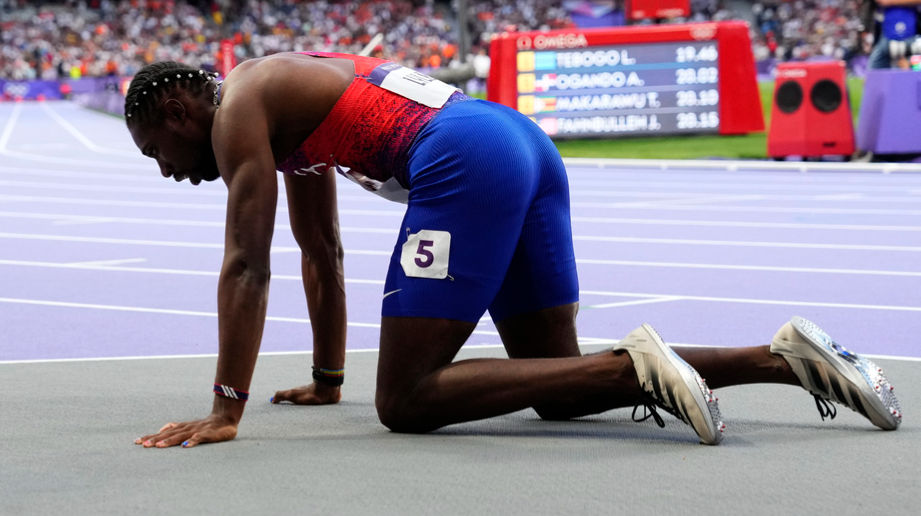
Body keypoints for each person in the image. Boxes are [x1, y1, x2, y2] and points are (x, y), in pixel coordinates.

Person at [126, 52, 901, 449]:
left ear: (177, 107)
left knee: (406, 400)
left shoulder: (238, 112)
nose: (165, 170)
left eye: (154, 148)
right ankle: (784, 358)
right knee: (555, 385)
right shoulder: (277, 101)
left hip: (466, 159)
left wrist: (224, 410)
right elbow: (320, 251)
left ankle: (634, 366)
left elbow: (247, 265)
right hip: (517, 142)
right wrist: (328, 381)